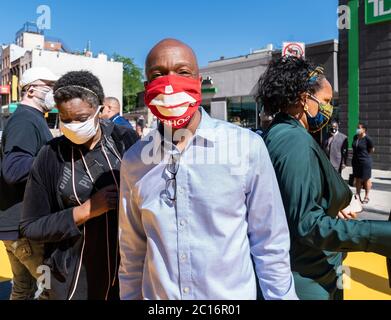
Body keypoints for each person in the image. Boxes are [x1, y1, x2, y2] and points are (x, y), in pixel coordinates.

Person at [118, 39, 298, 300]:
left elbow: (270, 243)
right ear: (147, 88)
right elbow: (132, 250)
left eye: (182, 72)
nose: (169, 83)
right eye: (158, 75)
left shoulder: (246, 148)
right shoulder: (134, 161)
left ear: (199, 82)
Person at [258, 56, 391, 300]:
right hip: (309, 277)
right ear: (303, 98)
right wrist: (379, 234)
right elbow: (307, 223)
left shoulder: (281, 131)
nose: (329, 109)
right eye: (326, 101)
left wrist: (332, 203)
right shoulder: (294, 140)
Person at [20, 71, 139, 300]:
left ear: (100, 110)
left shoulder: (125, 140)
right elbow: (31, 226)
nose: (73, 125)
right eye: (65, 119)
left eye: (81, 118)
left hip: (127, 272)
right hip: (74, 279)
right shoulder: (50, 155)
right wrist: (85, 211)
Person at [0, 67, 58, 300]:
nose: (55, 92)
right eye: (50, 86)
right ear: (31, 89)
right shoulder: (25, 120)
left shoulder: (31, 118)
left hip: (16, 226)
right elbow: (13, 170)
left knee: (23, 289)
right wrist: (57, 159)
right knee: (53, 290)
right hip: (24, 229)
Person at [352, 123, 375, 204]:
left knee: (366, 179)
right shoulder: (355, 137)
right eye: (357, 128)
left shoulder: (368, 139)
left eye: (359, 128)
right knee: (358, 178)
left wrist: (365, 156)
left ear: (364, 129)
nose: (357, 129)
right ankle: (357, 195)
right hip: (356, 161)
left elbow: (372, 150)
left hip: (365, 162)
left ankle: (366, 196)